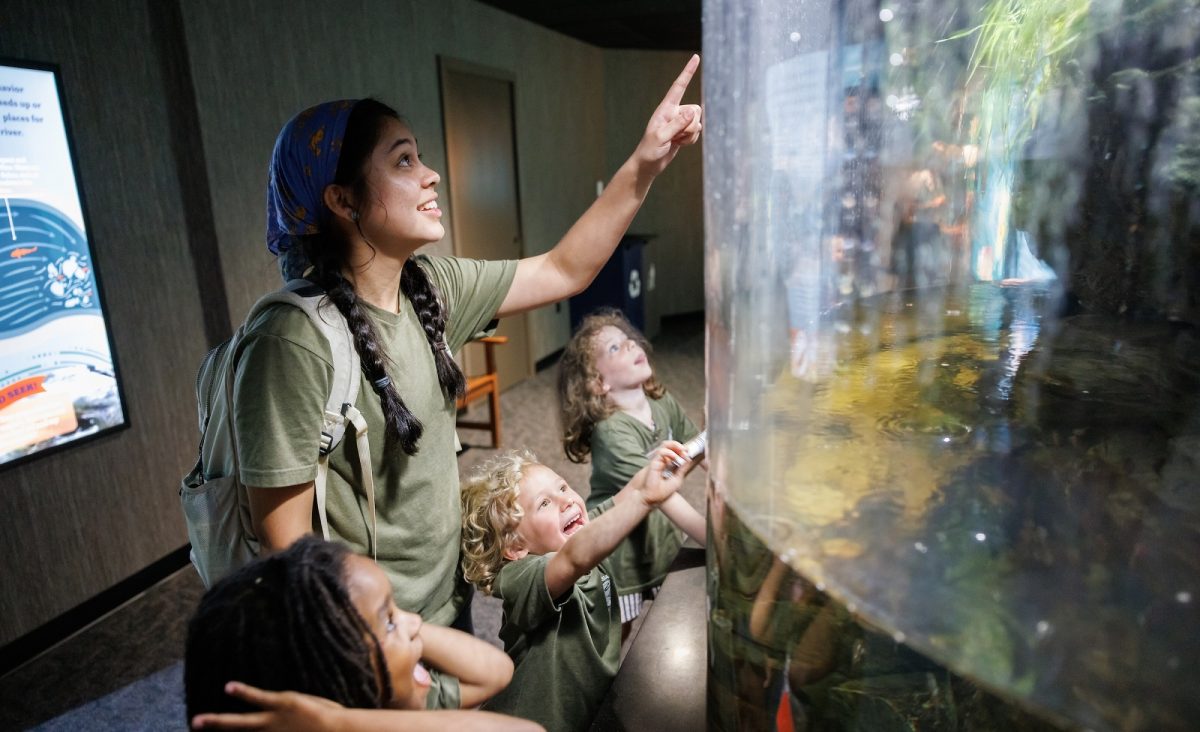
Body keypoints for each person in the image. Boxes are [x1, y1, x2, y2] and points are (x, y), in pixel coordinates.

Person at [235, 56, 703, 629]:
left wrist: (645, 163)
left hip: (449, 599)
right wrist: (375, 639)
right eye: (403, 160)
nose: (431, 175)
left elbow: (563, 269)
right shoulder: (290, 341)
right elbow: (286, 545)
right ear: (341, 200)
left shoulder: (431, 285)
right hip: (379, 628)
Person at [186, 537, 540, 731]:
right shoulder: (368, 713)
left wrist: (391, 622)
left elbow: (495, 671)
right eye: (388, 621)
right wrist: (339, 725)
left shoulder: (391, 701)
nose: (414, 622)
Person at [459, 445, 692, 731]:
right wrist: (644, 499)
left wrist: (674, 461)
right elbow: (574, 559)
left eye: (564, 487)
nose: (566, 501)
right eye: (544, 503)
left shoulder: (583, 535)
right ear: (516, 546)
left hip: (586, 710)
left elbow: (631, 494)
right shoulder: (522, 578)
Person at [557, 308, 706, 624]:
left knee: (669, 618)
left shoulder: (661, 402)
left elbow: (697, 449)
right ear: (599, 383)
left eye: (629, 341)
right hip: (621, 555)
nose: (630, 346)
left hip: (658, 539)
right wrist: (715, 541)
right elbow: (661, 494)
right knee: (620, 636)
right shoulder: (612, 432)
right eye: (614, 348)